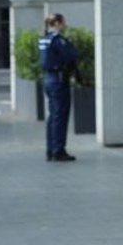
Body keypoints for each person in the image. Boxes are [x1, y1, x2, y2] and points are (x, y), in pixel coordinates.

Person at [39, 13, 78, 162]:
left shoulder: (44, 39)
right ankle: (58, 150)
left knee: (53, 116)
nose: (65, 25)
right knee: (60, 116)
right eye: (63, 22)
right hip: (59, 79)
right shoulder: (58, 40)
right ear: (57, 23)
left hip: (49, 78)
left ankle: (51, 149)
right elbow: (71, 56)